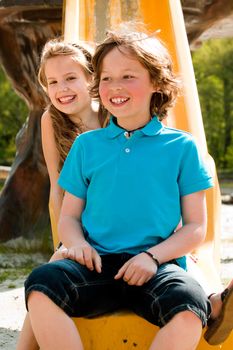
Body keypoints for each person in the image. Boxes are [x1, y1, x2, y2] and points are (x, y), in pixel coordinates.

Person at [22, 27, 233, 349]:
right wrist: (77, 244)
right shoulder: (86, 146)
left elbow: (195, 228)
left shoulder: (182, 148)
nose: (115, 87)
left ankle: (211, 301)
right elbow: (69, 217)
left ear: (157, 83)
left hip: (155, 265)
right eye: (106, 78)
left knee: (191, 304)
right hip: (94, 264)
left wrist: (151, 256)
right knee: (41, 283)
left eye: (128, 76)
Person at [16, 38, 103, 350]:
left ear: (91, 79)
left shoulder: (114, 115)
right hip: (77, 222)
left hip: (115, 220)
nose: (62, 89)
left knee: (52, 272)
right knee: (55, 264)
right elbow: (57, 186)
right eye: (53, 82)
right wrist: (62, 237)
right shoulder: (51, 120)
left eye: (70, 78)